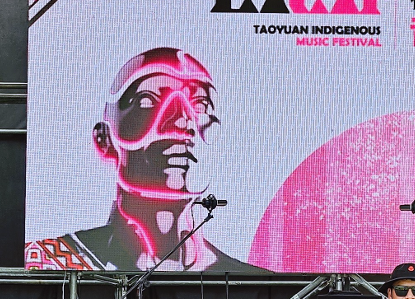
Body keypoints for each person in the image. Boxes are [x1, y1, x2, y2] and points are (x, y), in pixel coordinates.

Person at [26, 47, 258, 271]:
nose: (182, 122)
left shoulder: (242, 281)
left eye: (200, 105)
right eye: (148, 101)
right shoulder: (50, 263)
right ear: (104, 137)